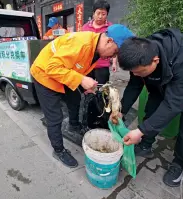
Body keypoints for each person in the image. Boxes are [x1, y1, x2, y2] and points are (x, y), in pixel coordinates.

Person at [113, 29, 183, 187]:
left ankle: (180, 163)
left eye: (139, 72)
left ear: (155, 60)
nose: (136, 75)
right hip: (167, 74)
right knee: (153, 106)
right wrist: (120, 110)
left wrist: (140, 130)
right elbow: (134, 85)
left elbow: (173, 103)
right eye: (133, 72)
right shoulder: (141, 54)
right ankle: (146, 144)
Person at [31, 24, 134, 168]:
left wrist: (85, 84)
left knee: (76, 99)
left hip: (63, 73)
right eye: (115, 52)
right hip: (44, 75)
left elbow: (77, 66)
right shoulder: (82, 44)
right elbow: (52, 68)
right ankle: (59, 150)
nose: (113, 57)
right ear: (109, 41)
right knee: (55, 117)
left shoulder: (96, 49)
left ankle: (74, 125)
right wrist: (81, 80)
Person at [82, 0, 117, 84]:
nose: (100, 16)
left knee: (103, 89)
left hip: (103, 65)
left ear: (107, 14)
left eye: (103, 14)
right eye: (98, 13)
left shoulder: (111, 28)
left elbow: (114, 46)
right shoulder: (85, 27)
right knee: (88, 89)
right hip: (87, 65)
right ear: (93, 13)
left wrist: (114, 63)